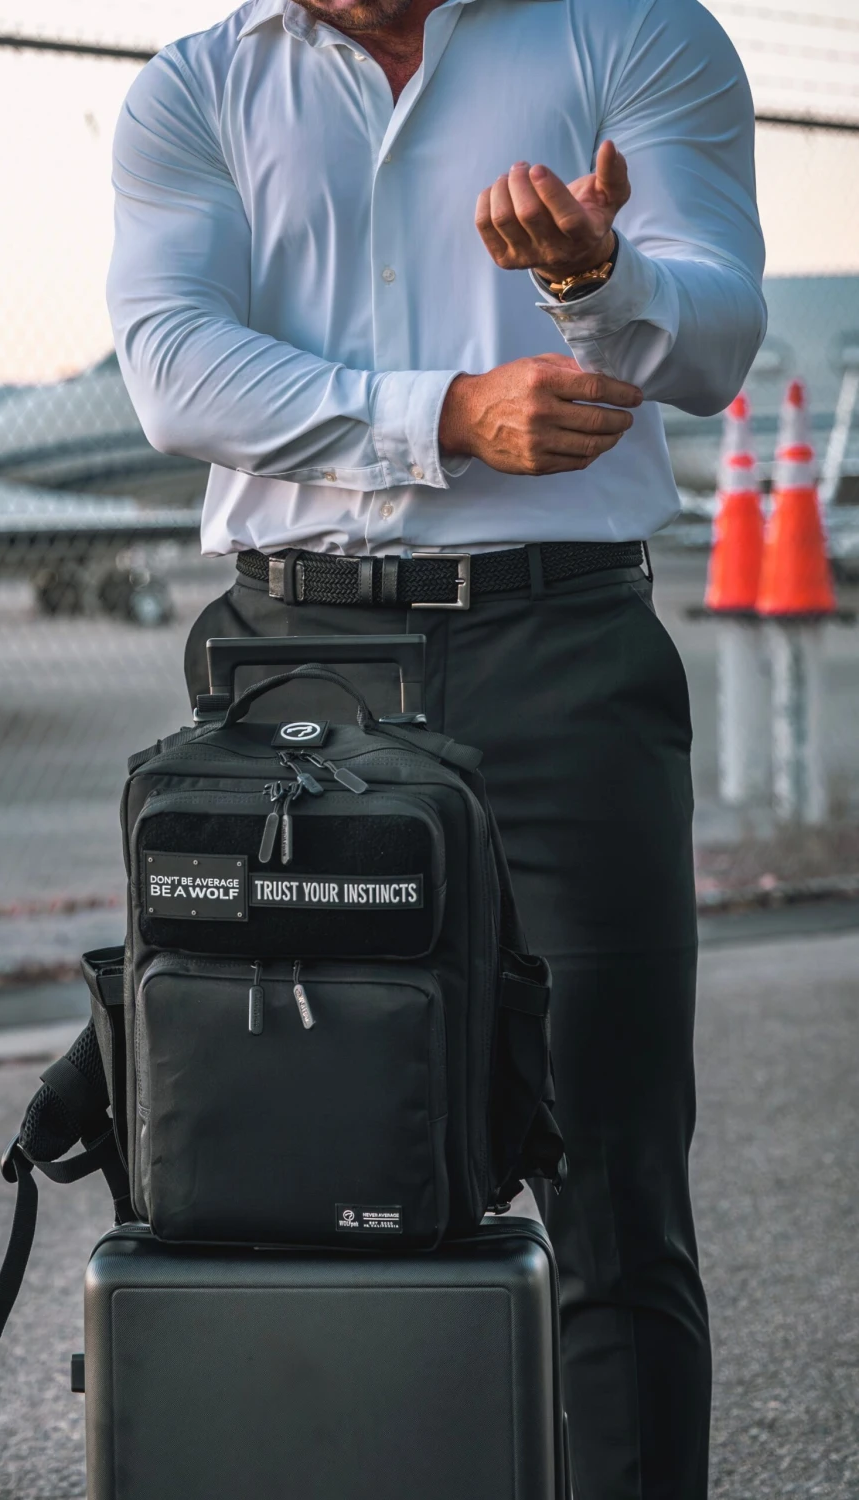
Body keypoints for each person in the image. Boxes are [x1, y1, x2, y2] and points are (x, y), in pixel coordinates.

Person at [106, 1, 764, 1496]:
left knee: (613, 1179)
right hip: (292, 668)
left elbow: (719, 336)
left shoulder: (633, 30)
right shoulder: (196, 86)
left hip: (561, 652)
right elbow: (173, 366)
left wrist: (598, 281)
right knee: (280, 1156)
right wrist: (448, 415)